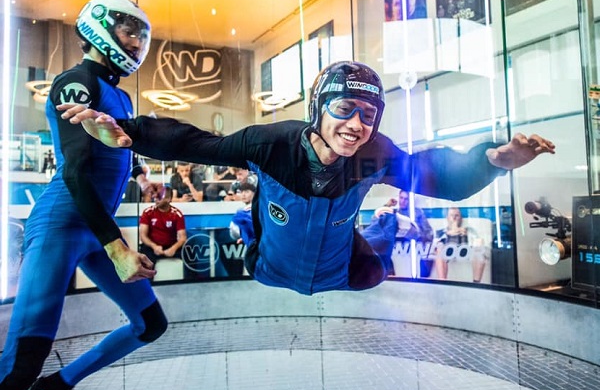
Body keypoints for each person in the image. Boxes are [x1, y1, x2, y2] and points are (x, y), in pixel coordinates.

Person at [60, 60, 555, 296]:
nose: (357, 125)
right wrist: (128, 131)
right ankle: (251, 222)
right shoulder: (272, 145)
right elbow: (196, 143)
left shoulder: (374, 154)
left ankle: (362, 231)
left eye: (369, 115)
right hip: (270, 262)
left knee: (373, 269)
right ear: (319, 109)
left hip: (339, 268)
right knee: (262, 230)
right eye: (345, 109)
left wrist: (492, 159)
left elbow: (440, 178)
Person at [0, 0, 167, 390]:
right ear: (100, 29)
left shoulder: (120, 97)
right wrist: (118, 247)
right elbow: (75, 171)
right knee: (23, 360)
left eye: (141, 36)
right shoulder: (76, 82)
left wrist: (141, 176)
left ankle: (56, 386)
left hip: (95, 226)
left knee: (150, 324)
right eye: (129, 31)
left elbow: (115, 147)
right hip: (61, 223)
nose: (136, 43)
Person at [380, 189, 434, 277]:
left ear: (410, 200)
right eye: (401, 198)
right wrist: (387, 205)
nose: (403, 201)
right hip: (397, 246)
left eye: (406, 199)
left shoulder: (417, 213)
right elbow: (379, 220)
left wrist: (418, 235)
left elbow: (429, 232)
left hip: (414, 245)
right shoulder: (394, 212)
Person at [139, 186, 187, 269]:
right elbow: (143, 236)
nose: (156, 199)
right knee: (145, 257)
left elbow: (182, 238)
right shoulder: (148, 212)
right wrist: (154, 246)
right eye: (155, 197)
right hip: (151, 246)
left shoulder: (177, 214)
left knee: (188, 254)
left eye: (159, 197)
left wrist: (173, 248)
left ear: (168, 199)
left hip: (170, 245)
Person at [434, 207, 487, 282]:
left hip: (465, 251)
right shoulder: (441, 232)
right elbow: (434, 244)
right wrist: (448, 234)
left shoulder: (469, 230)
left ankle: (476, 282)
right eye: (451, 215)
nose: (454, 218)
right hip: (447, 252)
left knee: (479, 248)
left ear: (461, 218)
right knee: (439, 248)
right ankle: (442, 282)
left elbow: (479, 240)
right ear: (447, 218)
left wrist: (467, 234)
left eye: (457, 215)